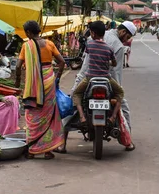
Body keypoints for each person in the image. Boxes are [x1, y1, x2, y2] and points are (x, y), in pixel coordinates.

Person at [58, 21, 137, 153]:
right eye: (127, 37)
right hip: (106, 79)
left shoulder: (91, 40)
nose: (126, 41)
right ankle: (128, 142)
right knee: (122, 104)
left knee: (71, 101)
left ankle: (62, 144)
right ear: (123, 32)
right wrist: (117, 89)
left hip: (85, 78)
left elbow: (85, 61)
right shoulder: (116, 46)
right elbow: (115, 70)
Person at [16, 20, 66, 159]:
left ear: (29, 32)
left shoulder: (26, 46)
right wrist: (57, 78)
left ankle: (32, 149)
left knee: (32, 114)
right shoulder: (49, 44)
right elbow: (62, 62)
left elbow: (18, 66)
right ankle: (47, 151)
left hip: (33, 83)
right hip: (48, 81)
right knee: (48, 115)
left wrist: (18, 81)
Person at [72, 21, 124, 124]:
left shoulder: (89, 45)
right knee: (120, 93)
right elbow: (114, 63)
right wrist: (108, 62)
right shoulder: (109, 48)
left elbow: (86, 59)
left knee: (76, 93)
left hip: (89, 78)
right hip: (106, 78)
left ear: (93, 33)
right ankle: (113, 117)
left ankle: (82, 116)